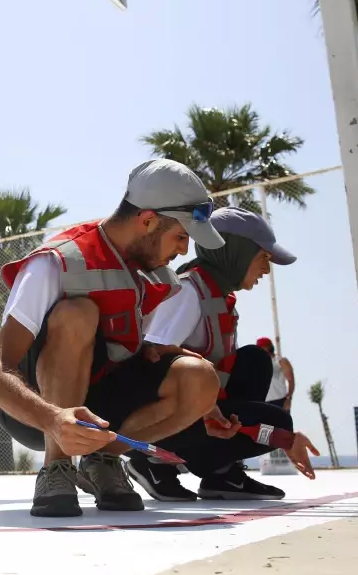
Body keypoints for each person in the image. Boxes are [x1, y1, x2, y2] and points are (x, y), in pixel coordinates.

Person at [0, 158, 236, 517]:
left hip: (97, 404)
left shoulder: (156, 276)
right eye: (181, 237)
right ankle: (57, 468)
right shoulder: (57, 262)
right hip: (34, 410)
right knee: (77, 314)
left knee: (200, 377)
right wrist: (54, 419)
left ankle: (102, 461)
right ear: (147, 220)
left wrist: (202, 401)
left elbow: (123, 355)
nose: (184, 251)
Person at [134, 206, 320, 501]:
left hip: (198, 412)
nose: (266, 269)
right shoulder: (187, 292)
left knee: (255, 361)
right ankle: (150, 459)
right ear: (237, 253)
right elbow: (152, 359)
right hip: (160, 419)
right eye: (263, 258)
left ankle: (221, 473)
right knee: (279, 423)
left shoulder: (217, 297)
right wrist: (283, 437)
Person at [257, 337, 295, 410]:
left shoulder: (280, 361)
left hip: (279, 400)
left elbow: (291, 380)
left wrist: (288, 398)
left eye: (262, 347)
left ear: (268, 347)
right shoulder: (258, 364)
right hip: (264, 403)